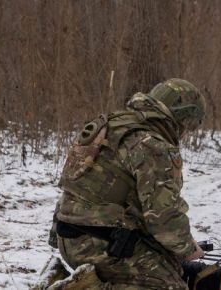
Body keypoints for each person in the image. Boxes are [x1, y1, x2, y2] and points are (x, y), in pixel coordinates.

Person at [48, 78, 206, 289]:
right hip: (98, 245)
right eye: (190, 126)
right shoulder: (153, 145)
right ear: (182, 118)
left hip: (68, 238)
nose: (186, 134)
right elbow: (163, 218)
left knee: (171, 268)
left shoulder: (112, 125)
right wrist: (187, 248)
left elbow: (74, 187)